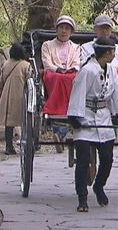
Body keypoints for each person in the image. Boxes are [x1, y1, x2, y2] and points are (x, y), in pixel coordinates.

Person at [67, 36, 118, 213]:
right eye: (113, 51)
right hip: (85, 116)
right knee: (84, 159)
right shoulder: (88, 70)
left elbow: (116, 93)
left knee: (108, 158)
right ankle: (82, 197)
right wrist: (76, 119)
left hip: (103, 117)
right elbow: (77, 93)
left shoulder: (111, 70)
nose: (114, 54)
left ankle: (99, 186)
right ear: (107, 52)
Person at [41, 15, 82, 152]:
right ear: (56, 29)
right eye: (61, 28)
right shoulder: (47, 45)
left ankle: (61, 133)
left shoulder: (76, 47)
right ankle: (60, 130)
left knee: (75, 79)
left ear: (71, 32)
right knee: (59, 78)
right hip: (53, 74)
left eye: (67, 29)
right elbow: (47, 63)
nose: (64, 31)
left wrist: (69, 70)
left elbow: (77, 63)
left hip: (70, 75)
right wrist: (58, 69)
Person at [0, 42, 32, 155]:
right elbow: (29, 81)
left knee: (9, 123)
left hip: (7, 95)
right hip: (21, 95)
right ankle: (26, 143)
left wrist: (0, 90)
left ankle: (8, 146)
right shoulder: (26, 65)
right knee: (24, 120)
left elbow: (0, 82)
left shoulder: (6, 64)